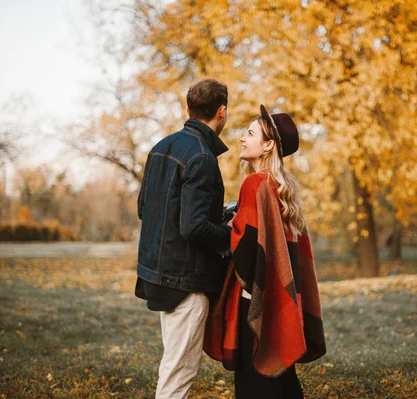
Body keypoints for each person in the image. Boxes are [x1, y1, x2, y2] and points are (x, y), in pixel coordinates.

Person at [204, 105, 326, 398]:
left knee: (255, 381)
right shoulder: (285, 189)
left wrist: (228, 224)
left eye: (250, 133)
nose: (243, 139)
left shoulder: (254, 183)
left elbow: (244, 247)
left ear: (268, 145)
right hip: (281, 297)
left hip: (255, 298)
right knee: (281, 378)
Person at [135, 78, 232, 399]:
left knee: (174, 363)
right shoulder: (202, 156)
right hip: (184, 282)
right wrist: (232, 236)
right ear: (222, 111)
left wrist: (217, 216)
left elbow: (144, 209)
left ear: (188, 109)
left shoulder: (161, 147)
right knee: (179, 372)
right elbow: (193, 227)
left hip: (158, 274)